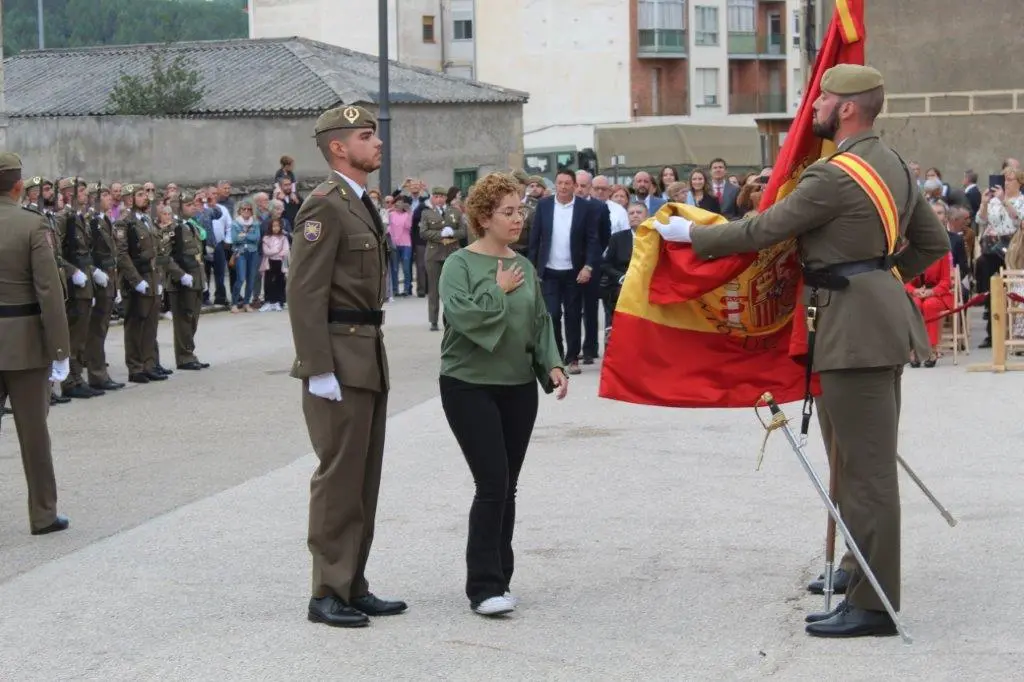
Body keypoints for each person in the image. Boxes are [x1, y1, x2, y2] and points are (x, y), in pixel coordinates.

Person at [653, 64, 950, 637]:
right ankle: (857, 569)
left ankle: (874, 605)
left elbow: (762, 229)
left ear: (847, 108)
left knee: (865, 472)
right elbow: (931, 243)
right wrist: (877, 279)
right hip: (865, 327)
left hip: (852, 334)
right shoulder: (893, 164)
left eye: (822, 98)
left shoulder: (834, 176)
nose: (813, 106)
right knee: (853, 463)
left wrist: (690, 236)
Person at [286, 104, 406, 628]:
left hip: (367, 352)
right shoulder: (324, 206)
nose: (376, 143)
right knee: (338, 478)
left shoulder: (359, 202)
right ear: (338, 147)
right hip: (338, 357)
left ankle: (353, 582)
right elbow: (304, 292)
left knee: (363, 476)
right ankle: (327, 591)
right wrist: (317, 366)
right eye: (365, 135)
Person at [438, 172, 568, 616]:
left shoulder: (524, 266)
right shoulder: (459, 265)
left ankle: (501, 578)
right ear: (483, 217)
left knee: (507, 487)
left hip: (517, 387)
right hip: (467, 384)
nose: (518, 218)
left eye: (521, 210)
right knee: (492, 483)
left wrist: (552, 364)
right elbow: (461, 316)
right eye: (508, 212)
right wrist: (498, 290)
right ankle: (484, 587)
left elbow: (539, 321)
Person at [0, 152, 73, 535]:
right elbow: (49, 292)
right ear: (18, 186)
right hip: (25, 344)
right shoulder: (32, 224)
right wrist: (60, 350)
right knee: (33, 436)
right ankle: (43, 514)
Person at [114, 184, 166, 384]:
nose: (146, 197)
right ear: (129, 199)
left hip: (151, 278)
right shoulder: (124, 222)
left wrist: (158, 279)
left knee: (150, 325)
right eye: (141, 194)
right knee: (135, 326)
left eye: (146, 194)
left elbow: (155, 251)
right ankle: (135, 367)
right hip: (135, 281)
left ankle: (149, 364)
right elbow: (122, 254)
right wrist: (136, 281)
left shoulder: (147, 220)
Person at [166, 192, 210, 370]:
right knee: (183, 320)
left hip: (195, 278)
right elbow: (166, 256)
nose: (193, 207)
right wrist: (180, 275)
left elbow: (198, 255)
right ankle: (184, 357)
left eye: (193, 204)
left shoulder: (191, 226)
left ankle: (189, 353)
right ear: (178, 207)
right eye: (188, 205)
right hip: (181, 280)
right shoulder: (172, 227)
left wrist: (203, 278)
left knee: (192, 320)